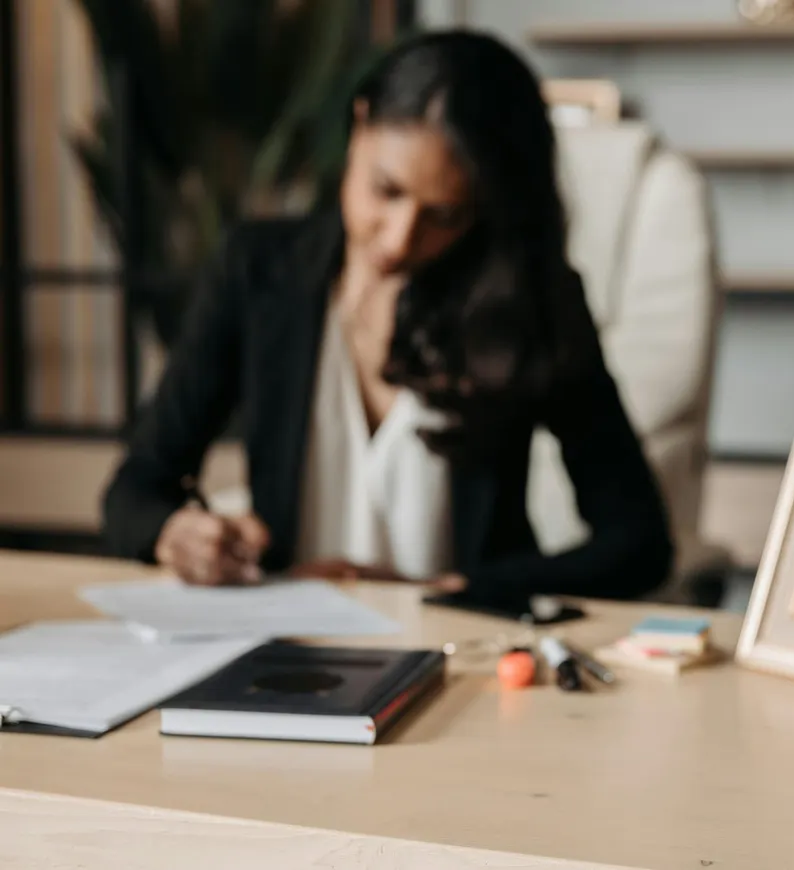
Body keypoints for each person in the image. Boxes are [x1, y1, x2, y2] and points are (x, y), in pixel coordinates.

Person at [101, 31, 674, 608]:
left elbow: (639, 543)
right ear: (359, 123)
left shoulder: (528, 301)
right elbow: (132, 493)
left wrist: (456, 589)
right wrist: (176, 536)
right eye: (386, 190)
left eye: (445, 215)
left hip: (467, 654)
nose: (400, 240)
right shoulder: (256, 271)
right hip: (283, 648)